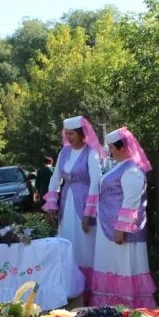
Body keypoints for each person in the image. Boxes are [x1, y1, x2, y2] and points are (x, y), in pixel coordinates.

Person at [90, 127, 157, 308]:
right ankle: (111, 306)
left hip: (122, 231)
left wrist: (121, 228)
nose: (109, 150)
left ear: (121, 147)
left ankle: (129, 306)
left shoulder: (132, 170)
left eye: (111, 146)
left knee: (124, 265)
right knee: (112, 265)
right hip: (108, 225)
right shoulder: (120, 167)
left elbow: (132, 200)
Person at [42, 115, 106, 303]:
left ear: (80, 133)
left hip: (84, 201)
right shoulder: (64, 153)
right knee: (67, 241)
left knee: (85, 245)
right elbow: (55, 178)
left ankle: (90, 291)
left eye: (71, 134)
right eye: (66, 133)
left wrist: (89, 213)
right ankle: (71, 287)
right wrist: (52, 204)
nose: (68, 137)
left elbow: (95, 181)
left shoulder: (91, 152)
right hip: (67, 202)